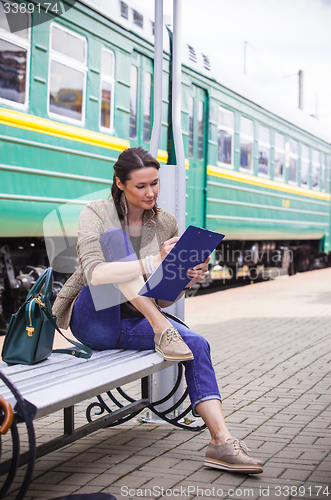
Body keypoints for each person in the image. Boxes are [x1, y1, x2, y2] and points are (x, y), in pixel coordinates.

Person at [53, 147, 263, 474]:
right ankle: (163, 329)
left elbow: (163, 298)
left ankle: (221, 442)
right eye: (140, 186)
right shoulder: (96, 212)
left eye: (155, 183)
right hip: (95, 318)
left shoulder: (165, 222)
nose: (150, 192)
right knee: (115, 240)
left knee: (198, 344)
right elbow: (94, 273)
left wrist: (185, 277)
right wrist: (154, 261)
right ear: (120, 183)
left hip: (140, 318)